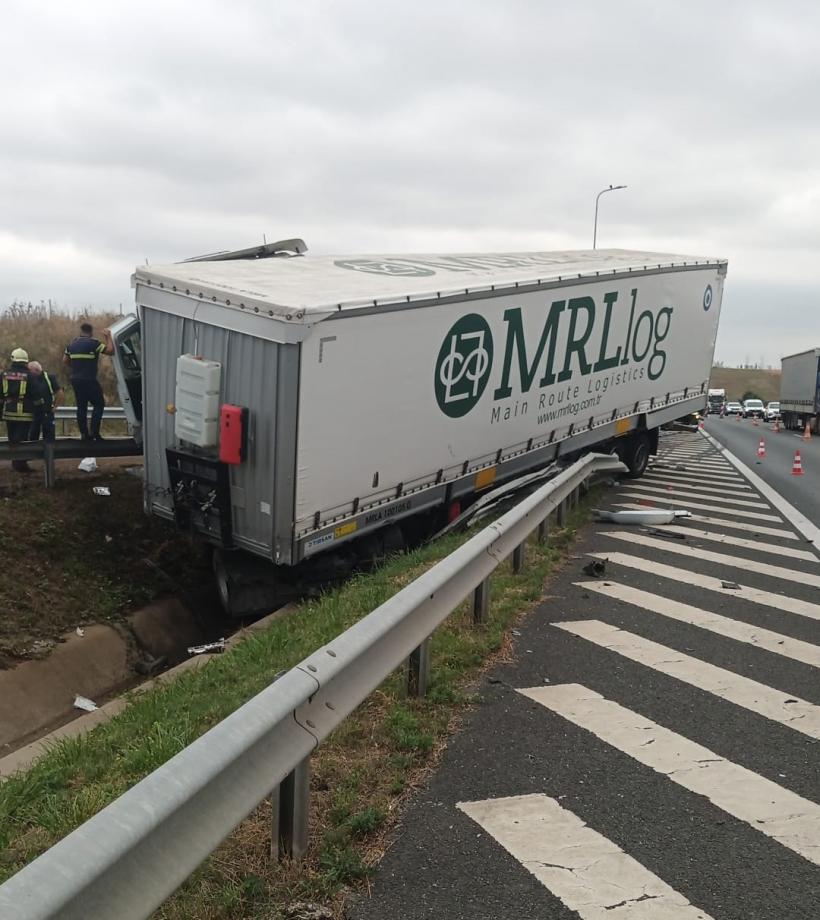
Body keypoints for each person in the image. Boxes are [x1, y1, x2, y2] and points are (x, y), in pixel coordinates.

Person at [63, 321, 114, 441]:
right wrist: (108, 337)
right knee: (99, 403)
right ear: (90, 332)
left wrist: (77, 366)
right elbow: (110, 351)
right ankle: (95, 433)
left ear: (81, 331)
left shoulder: (72, 345)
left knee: (81, 407)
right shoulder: (94, 343)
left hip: (75, 380)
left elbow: (65, 360)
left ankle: (84, 434)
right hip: (89, 379)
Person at [0, 347, 48, 472]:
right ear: (26, 361)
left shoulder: (3, 375)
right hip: (25, 413)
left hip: (8, 412)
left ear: (13, 360)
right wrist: (41, 412)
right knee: (22, 439)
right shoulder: (31, 376)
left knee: (12, 438)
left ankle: (16, 463)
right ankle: (20, 464)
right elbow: (38, 396)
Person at [28, 360, 64, 442]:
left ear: (36, 370)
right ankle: (33, 453)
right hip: (34, 413)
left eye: (29, 370)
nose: (28, 372)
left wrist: (55, 407)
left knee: (49, 439)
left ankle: (49, 453)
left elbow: (60, 393)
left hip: (47, 413)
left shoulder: (50, 378)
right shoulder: (30, 379)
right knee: (32, 438)